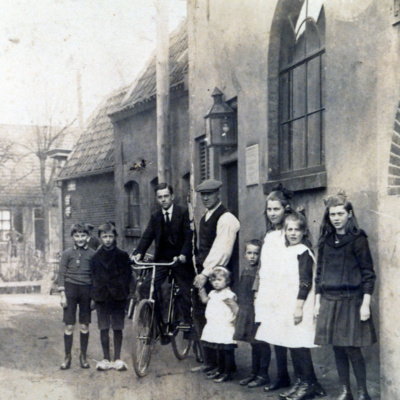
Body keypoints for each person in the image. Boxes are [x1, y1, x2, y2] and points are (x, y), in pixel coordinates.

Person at [314, 190, 376, 400]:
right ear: (328, 217)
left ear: (349, 214)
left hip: (352, 300)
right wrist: (317, 301)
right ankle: (344, 390)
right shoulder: (325, 241)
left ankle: (362, 391)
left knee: (351, 348)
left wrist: (365, 304)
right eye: (332, 215)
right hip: (330, 300)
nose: (337, 219)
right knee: (337, 347)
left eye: (340, 214)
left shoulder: (358, 239)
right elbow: (319, 274)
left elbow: (368, 274)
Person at [273, 209, 326, 400]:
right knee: (293, 344)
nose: (293, 233)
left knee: (299, 345)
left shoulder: (303, 252)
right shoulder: (288, 250)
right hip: (288, 303)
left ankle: (307, 384)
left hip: (300, 304)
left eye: (297, 230)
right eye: (289, 229)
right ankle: (305, 381)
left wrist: (298, 307)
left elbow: (305, 282)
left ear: (304, 232)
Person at [192, 179, 240, 373]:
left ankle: (225, 367)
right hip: (207, 274)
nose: (206, 198)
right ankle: (210, 362)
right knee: (207, 318)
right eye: (203, 195)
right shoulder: (205, 217)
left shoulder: (226, 218)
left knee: (221, 320)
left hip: (219, 277)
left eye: (210, 194)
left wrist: (205, 273)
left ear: (218, 194)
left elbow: (222, 249)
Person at [133, 183, 194, 334]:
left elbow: (188, 236)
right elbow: (147, 236)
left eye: (166, 196)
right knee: (146, 287)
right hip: (162, 260)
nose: (163, 200)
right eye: (160, 197)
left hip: (180, 261)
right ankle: (153, 324)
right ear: (157, 199)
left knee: (186, 291)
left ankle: (188, 325)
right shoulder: (155, 217)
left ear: (172, 197)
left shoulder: (183, 212)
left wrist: (184, 254)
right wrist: (139, 252)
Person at [253, 184, 292, 391]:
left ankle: (303, 379)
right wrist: (257, 290)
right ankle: (282, 376)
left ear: (285, 209)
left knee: (290, 335)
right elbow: (262, 266)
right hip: (269, 293)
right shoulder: (268, 235)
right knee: (275, 334)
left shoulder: (291, 231)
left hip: (286, 292)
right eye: (269, 209)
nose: (272, 213)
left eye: (276, 209)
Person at [91, 223, 132, 371]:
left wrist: (125, 294)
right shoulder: (95, 257)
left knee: (117, 327)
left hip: (118, 296)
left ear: (115, 237)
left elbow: (128, 276)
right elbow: (93, 277)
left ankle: (117, 359)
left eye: (110, 236)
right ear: (100, 238)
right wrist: (94, 297)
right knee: (103, 327)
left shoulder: (122, 255)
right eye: (104, 236)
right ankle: (106, 358)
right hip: (102, 296)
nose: (108, 239)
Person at [58, 223, 95, 370]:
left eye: (83, 236)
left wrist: (93, 297)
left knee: (84, 325)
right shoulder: (67, 253)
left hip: (86, 290)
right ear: (73, 237)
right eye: (77, 236)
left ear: (88, 237)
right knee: (69, 325)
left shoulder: (93, 254)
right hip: (70, 289)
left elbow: (95, 276)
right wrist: (62, 295)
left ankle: (83, 357)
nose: (80, 239)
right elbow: (61, 274)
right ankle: (67, 357)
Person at [234, 239, 271, 389]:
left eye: (256, 253)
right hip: (247, 310)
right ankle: (254, 373)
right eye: (249, 253)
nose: (252, 256)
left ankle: (263, 374)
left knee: (261, 343)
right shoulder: (246, 270)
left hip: (258, 310)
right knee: (253, 343)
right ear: (244, 254)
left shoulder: (260, 272)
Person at [198, 267, 238, 383]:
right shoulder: (212, 293)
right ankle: (220, 370)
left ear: (227, 281)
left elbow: (235, 309)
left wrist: (235, 322)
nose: (216, 282)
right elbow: (205, 301)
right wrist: (202, 291)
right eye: (213, 280)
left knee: (226, 350)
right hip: (214, 324)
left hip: (225, 325)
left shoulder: (228, 294)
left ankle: (228, 372)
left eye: (219, 280)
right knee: (219, 349)